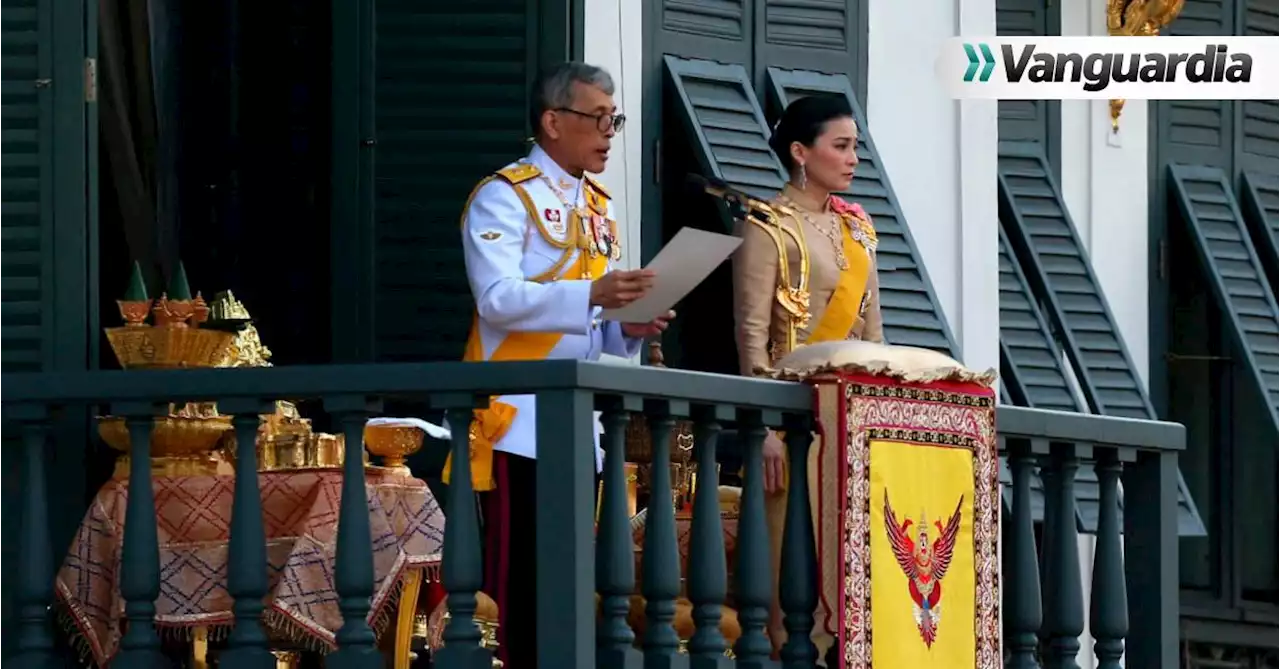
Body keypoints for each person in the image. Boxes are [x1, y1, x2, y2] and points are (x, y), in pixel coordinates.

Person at [450, 62, 674, 668]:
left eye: (614, 119)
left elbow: (588, 329)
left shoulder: (598, 207)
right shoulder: (505, 195)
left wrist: (625, 326)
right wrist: (595, 297)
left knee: (572, 582)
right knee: (519, 581)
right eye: (597, 118)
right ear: (552, 121)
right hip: (518, 419)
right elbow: (496, 300)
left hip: (580, 424)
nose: (608, 132)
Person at [731, 93, 885, 664]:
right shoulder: (767, 225)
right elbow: (750, 336)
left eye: (854, 147)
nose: (852, 159)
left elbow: (874, 334)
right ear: (800, 151)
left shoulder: (858, 227)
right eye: (840, 146)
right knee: (792, 562)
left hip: (853, 420)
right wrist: (764, 427)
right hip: (791, 422)